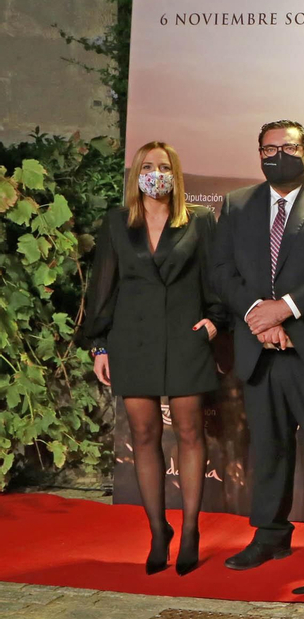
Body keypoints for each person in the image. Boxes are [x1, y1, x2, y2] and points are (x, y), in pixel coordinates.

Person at [211, 120, 304, 572]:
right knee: (268, 448)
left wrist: (287, 308)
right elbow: (220, 272)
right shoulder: (237, 204)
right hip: (260, 348)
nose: (277, 155)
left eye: (287, 147)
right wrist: (260, 312)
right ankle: (270, 536)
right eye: (267, 148)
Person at [81, 141, 225, 575]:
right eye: (148, 166)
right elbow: (103, 289)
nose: (156, 173)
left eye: (163, 166)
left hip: (186, 339)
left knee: (188, 433)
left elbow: (215, 278)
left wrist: (215, 321)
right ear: (136, 174)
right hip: (133, 342)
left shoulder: (199, 220)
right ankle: (158, 531)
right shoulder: (116, 223)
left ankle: (192, 529)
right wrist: (100, 346)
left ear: (175, 174)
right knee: (143, 435)